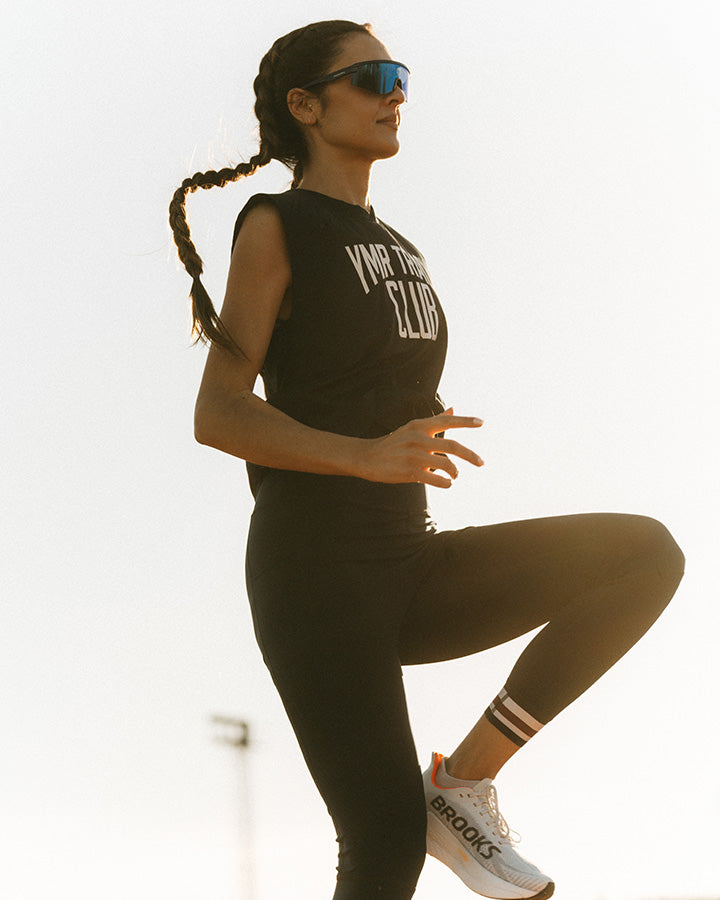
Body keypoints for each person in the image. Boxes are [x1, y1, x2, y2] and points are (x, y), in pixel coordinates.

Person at [168, 20, 685, 900]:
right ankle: (425, 816)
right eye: (369, 76)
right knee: (382, 842)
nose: (393, 91)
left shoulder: (400, 247)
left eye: (398, 73)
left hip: (408, 557)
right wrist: (363, 455)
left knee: (642, 556)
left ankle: (463, 783)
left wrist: (406, 426)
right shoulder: (276, 223)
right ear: (307, 106)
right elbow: (217, 414)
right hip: (315, 576)